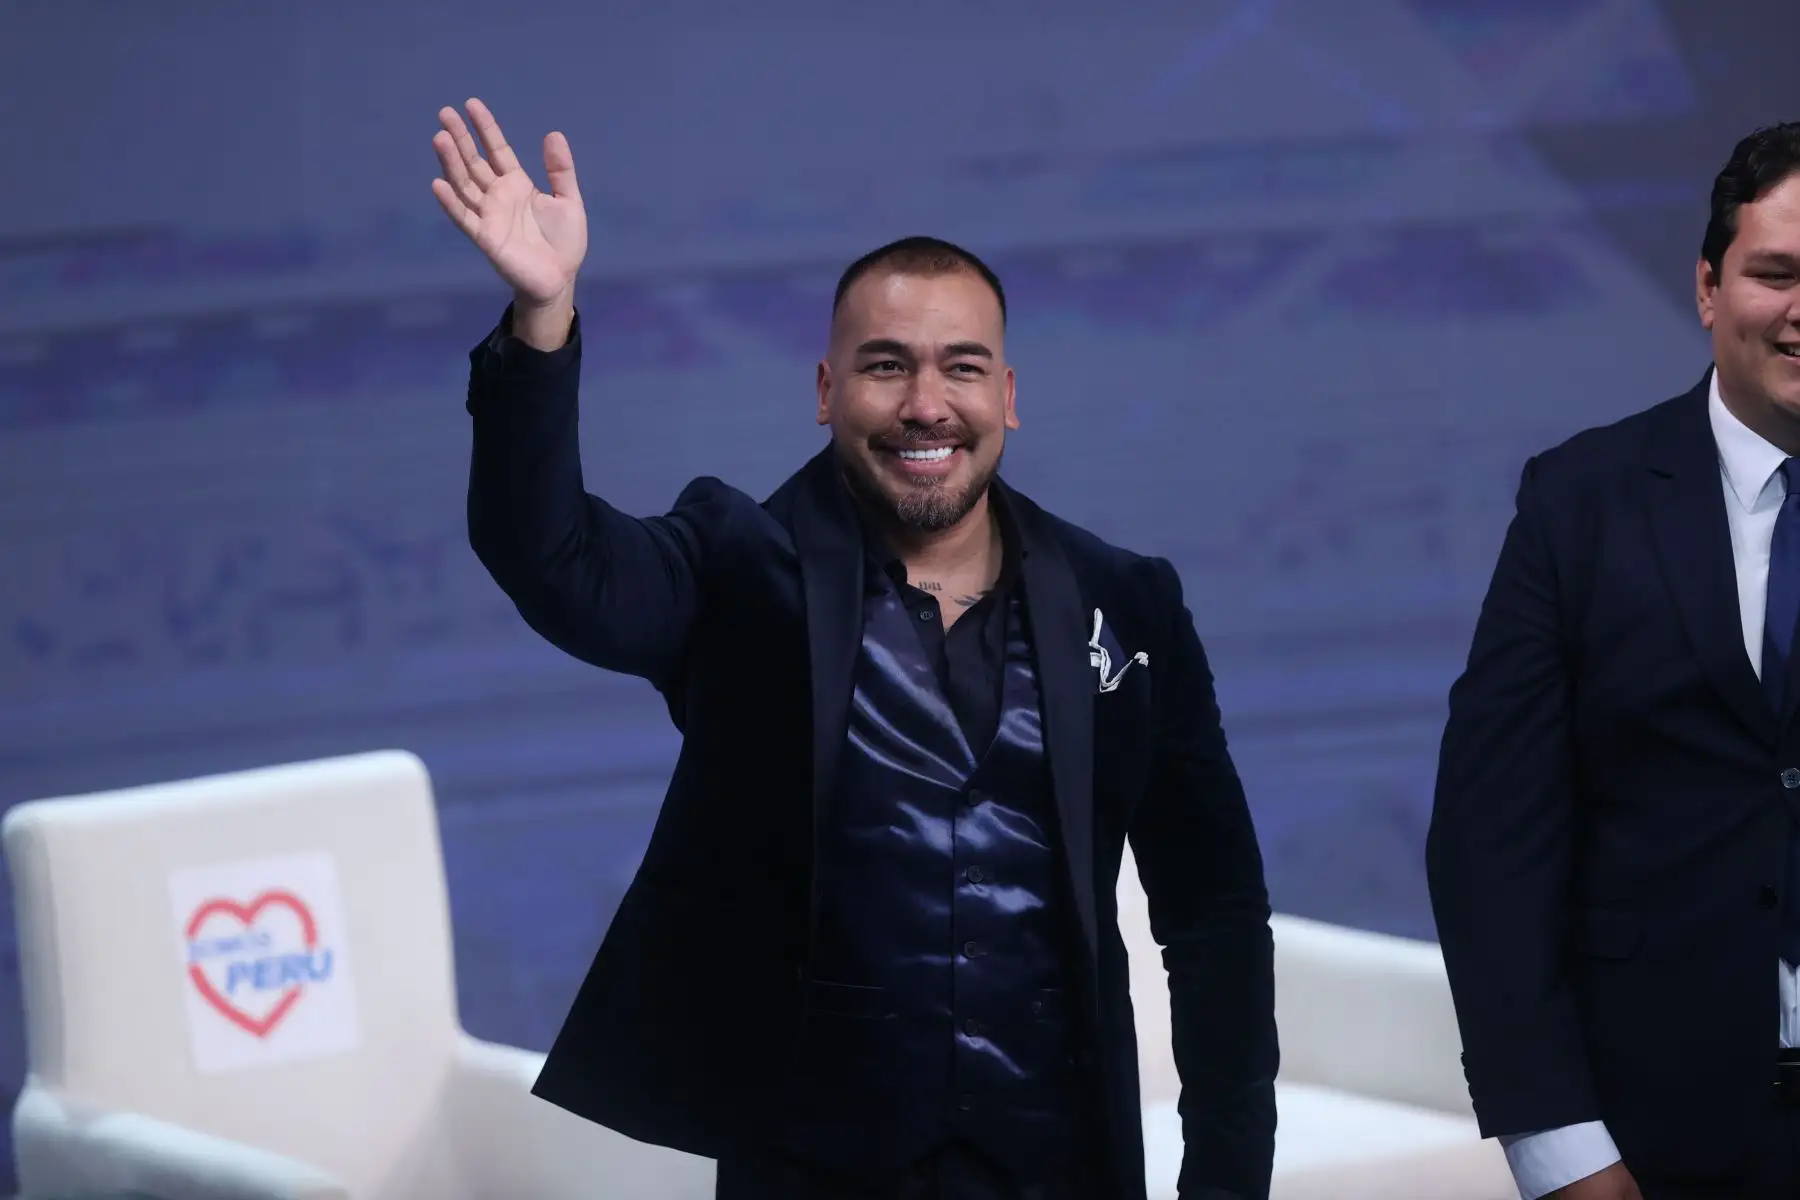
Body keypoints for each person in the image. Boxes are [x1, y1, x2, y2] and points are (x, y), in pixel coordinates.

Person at [429, 98, 1277, 1200]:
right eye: (885, 367)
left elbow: (1211, 912)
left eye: (963, 368)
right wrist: (543, 321)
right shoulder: (739, 567)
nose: (927, 405)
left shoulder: (1130, 603)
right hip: (808, 1168)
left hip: (1065, 1164)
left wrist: (1226, 1181)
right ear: (827, 394)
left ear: (1008, 398)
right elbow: (551, 558)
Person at [1428, 120, 1800, 1200]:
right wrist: (1560, 1147)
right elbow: (1489, 842)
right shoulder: (1578, 503)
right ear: (1706, 287)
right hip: (1652, 1142)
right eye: (1776, 273)